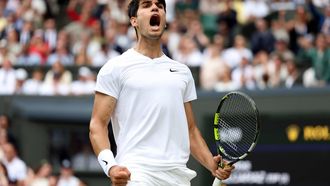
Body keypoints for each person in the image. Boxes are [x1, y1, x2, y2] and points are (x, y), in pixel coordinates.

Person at [89, 0, 234, 186]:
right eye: (146, 5)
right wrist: (110, 166)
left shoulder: (182, 72)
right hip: (137, 173)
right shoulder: (115, 68)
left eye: (159, 5)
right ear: (134, 21)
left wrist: (211, 165)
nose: (155, 7)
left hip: (178, 177)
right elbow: (97, 125)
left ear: (165, 20)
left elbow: (190, 130)